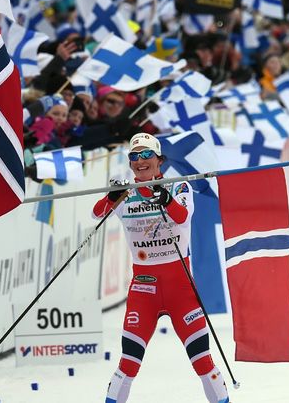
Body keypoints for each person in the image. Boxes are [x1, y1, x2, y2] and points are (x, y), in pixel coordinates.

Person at [93, 133, 229, 403]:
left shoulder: (179, 187)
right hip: (144, 290)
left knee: (203, 362)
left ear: (159, 160)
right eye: (135, 156)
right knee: (128, 364)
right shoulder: (125, 194)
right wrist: (111, 199)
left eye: (146, 155)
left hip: (182, 292)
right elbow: (96, 215)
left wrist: (164, 197)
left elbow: (182, 217)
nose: (140, 161)